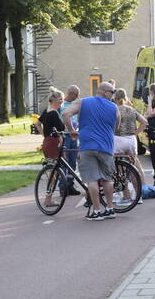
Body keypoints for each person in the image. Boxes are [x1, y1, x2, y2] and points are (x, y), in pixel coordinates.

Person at [63, 81, 121, 221]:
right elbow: (117, 126)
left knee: (92, 179)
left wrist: (71, 130)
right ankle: (110, 208)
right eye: (112, 92)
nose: (113, 95)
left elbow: (65, 113)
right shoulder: (114, 107)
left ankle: (96, 211)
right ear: (104, 91)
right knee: (107, 179)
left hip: (87, 145)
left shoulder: (83, 102)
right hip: (106, 146)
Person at [36, 88, 82, 198]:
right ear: (55, 100)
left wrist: (45, 135)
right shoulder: (54, 113)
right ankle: (48, 198)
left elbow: (37, 123)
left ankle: (52, 195)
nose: (62, 101)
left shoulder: (47, 111)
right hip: (53, 144)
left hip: (48, 142)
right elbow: (62, 128)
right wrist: (73, 130)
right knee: (54, 172)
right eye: (61, 99)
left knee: (55, 170)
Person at [113, 88, 147, 205]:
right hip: (131, 140)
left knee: (120, 169)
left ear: (115, 99)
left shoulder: (115, 110)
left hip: (119, 139)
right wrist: (136, 132)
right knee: (133, 169)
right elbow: (144, 122)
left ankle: (126, 196)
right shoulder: (131, 110)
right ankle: (138, 196)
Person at [60, 85, 81, 177]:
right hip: (65, 135)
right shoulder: (61, 105)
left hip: (74, 135)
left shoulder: (75, 104)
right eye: (76, 95)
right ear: (71, 94)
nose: (77, 97)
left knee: (73, 161)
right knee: (65, 160)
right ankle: (63, 186)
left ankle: (70, 184)